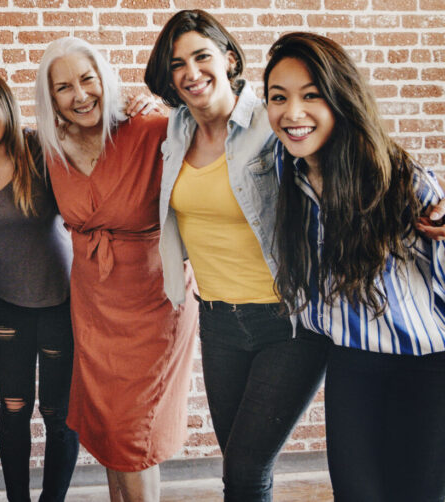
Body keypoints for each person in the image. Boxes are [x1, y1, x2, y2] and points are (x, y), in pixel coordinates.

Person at [143, 12, 331, 501]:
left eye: (202, 56)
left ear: (228, 58)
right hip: (219, 321)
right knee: (243, 468)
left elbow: (345, 152)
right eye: (177, 63)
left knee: (244, 471)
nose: (191, 71)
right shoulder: (175, 134)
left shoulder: (271, 123)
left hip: (287, 323)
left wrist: (422, 195)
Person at [265, 32, 445, 502]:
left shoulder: (401, 179)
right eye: (278, 98)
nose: (292, 113)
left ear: (340, 99)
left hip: (427, 369)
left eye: (311, 96)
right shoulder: (291, 178)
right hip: (352, 363)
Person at [35, 36, 199, 502]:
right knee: (109, 432)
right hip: (93, 307)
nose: (80, 95)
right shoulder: (50, 148)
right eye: (64, 87)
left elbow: (216, 138)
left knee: (134, 436)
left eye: (88, 79)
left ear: (105, 79)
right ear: (51, 99)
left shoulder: (152, 129)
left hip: (152, 302)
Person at [0, 69, 79, 502]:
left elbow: (98, 146)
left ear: (4, 104)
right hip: (5, 305)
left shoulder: (41, 150)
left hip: (62, 303)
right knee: (14, 409)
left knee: (58, 415)